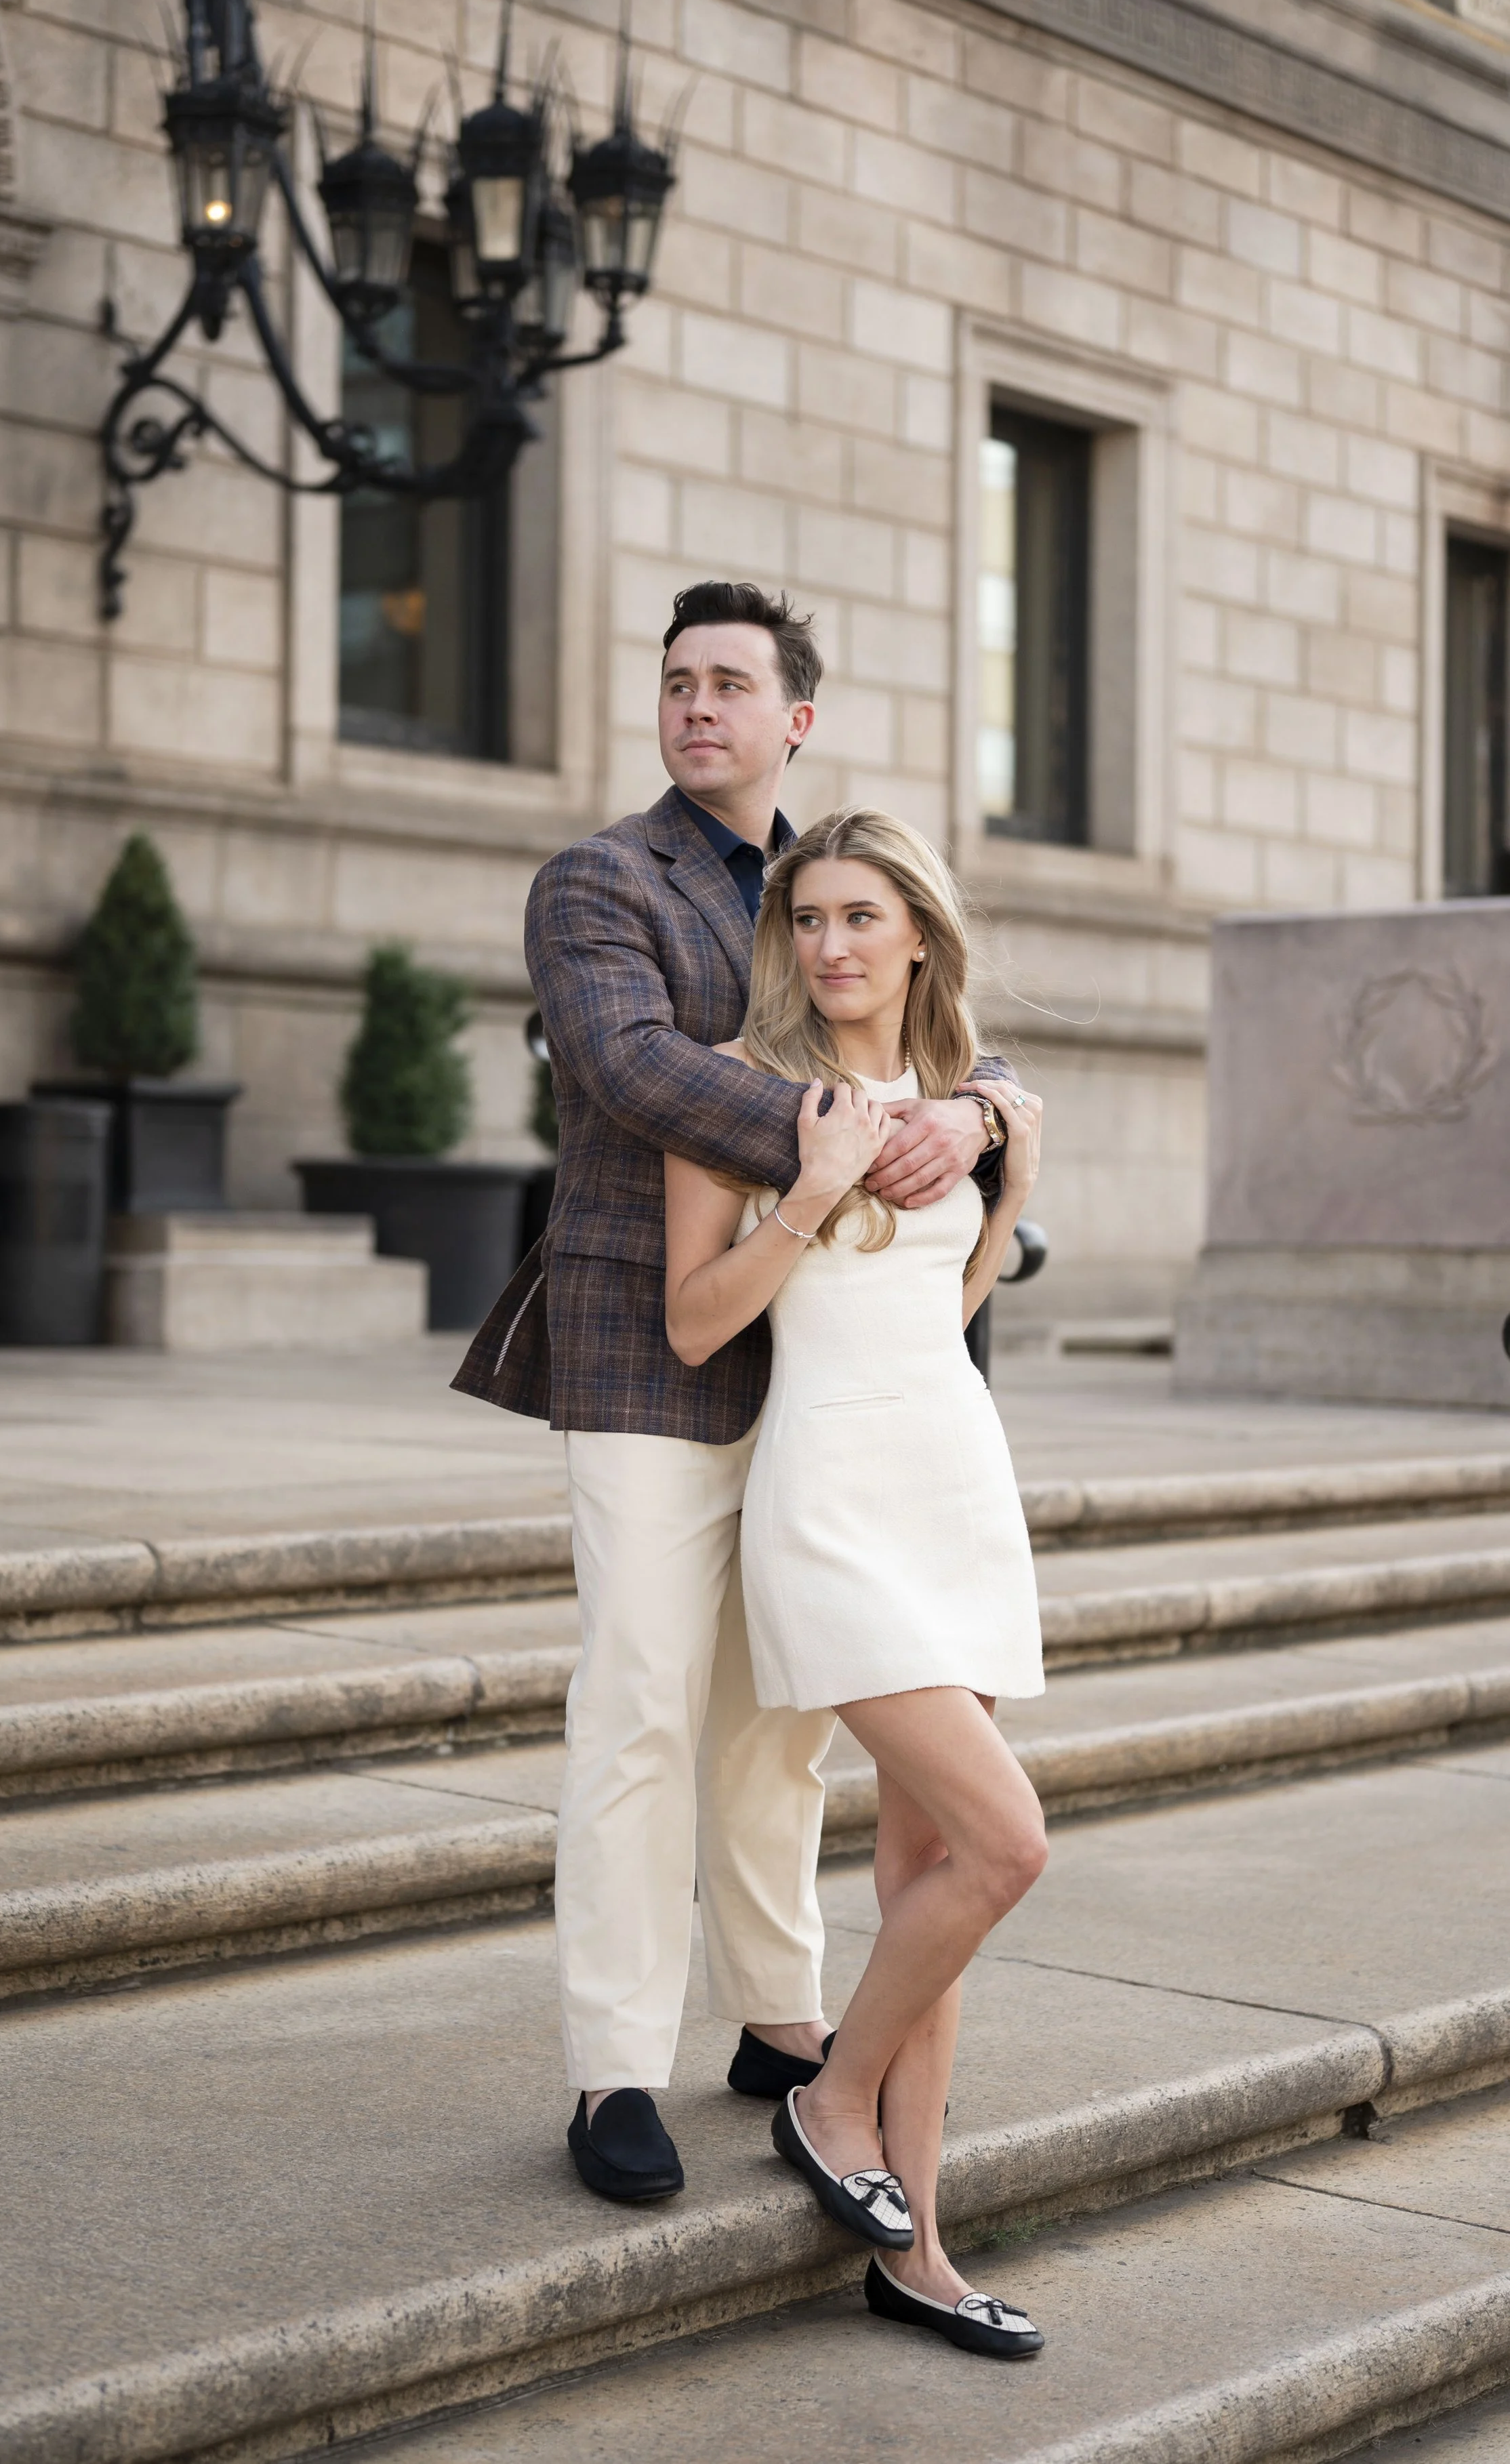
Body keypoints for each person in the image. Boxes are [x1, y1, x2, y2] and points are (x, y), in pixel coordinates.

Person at [453, 581, 1013, 2204]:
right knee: (635, 1706)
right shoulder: (596, 882)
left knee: (777, 1728)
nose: (696, 706)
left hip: (821, 1373)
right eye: (674, 682)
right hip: (648, 1343)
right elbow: (626, 1069)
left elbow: (939, 1023)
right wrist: (859, 1137)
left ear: (795, 719)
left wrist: (976, 1111)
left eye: (729, 685)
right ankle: (612, 2066)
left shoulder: (829, 882)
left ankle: (780, 2020)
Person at [662, 804, 1048, 2360]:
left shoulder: (970, 1102)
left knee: (926, 1885)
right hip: (825, 1499)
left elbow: (964, 1283)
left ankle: (922, 2255)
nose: (827, 945)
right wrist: (812, 1191)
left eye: (858, 919)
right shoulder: (741, 1096)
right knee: (1008, 1845)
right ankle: (827, 2107)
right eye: (806, 917)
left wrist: (988, 1119)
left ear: (914, 938)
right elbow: (698, 1324)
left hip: (952, 1482)